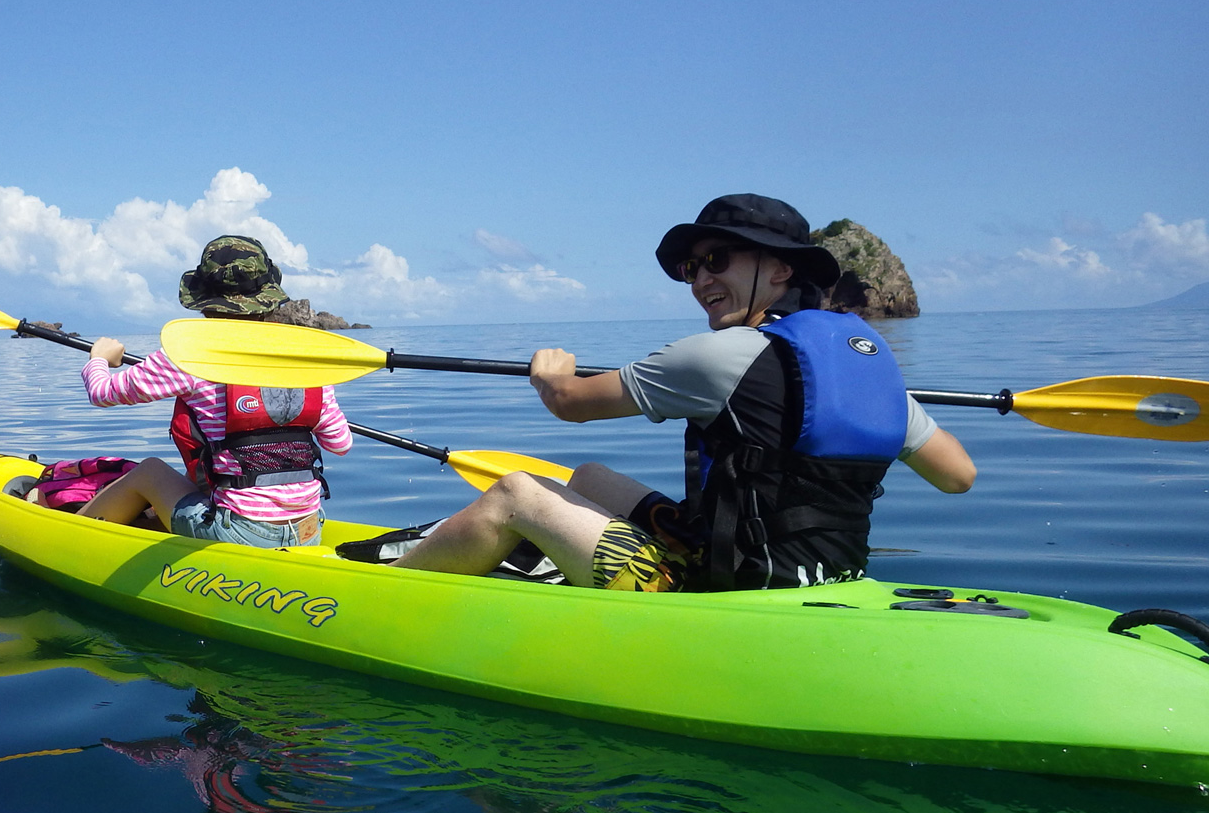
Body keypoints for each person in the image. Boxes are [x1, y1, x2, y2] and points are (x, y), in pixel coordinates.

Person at [397, 193, 975, 591]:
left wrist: (551, 371)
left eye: (716, 260)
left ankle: (393, 588)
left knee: (517, 492)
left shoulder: (716, 356)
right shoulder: (867, 368)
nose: (699, 281)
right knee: (590, 477)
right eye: (691, 268)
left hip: (724, 584)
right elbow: (958, 476)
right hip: (828, 573)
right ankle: (535, 562)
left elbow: (570, 403)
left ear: (779, 269)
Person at [78, 235, 353, 548]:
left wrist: (100, 358)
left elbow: (102, 392)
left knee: (150, 471)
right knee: (200, 476)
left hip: (239, 533)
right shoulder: (305, 361)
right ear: (266, 297)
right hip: (308, 530)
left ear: (204, 302)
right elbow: (341, 444)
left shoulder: (189, 357)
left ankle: (72, 539)